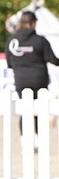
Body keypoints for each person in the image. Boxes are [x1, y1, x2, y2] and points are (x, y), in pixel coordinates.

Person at [5, 10, 59, 149]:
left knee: (25, 110)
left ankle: (26, 141)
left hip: (21, 81)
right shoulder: (40, 40)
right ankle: (38, 140)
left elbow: (9, 63)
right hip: (39, 81)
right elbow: (53, 60)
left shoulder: (12, 41)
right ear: (34, 23)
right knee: (39, 111)